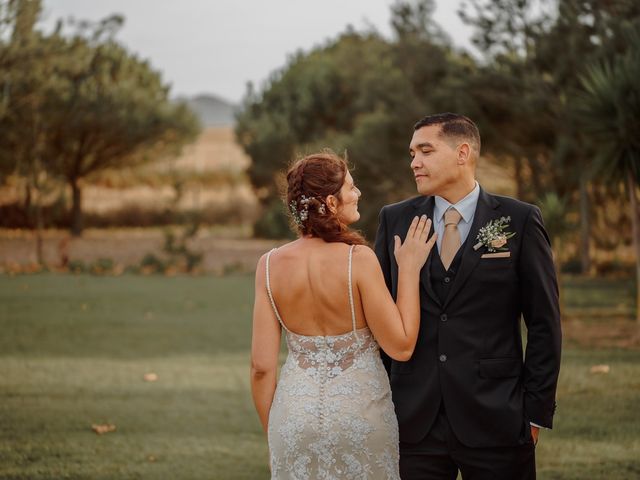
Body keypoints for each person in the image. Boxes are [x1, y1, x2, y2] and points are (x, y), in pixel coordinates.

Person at [374, 113, 562, 479]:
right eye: (412, 153)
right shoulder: (394, 220)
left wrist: (535, 411)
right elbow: (378, 320)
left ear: (462, 153)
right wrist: (382, 404)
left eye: (425, 151)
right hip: (413, 421)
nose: (414, 162)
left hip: (498, 416)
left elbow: (544, 322)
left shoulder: (519, 220)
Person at [250, 151, 437, 479]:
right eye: (351, 187)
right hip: (360, 418)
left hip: (293, 418)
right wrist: (409, 269)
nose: (358, 193)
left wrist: (275, 433)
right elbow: (402, 346)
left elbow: (261, 369)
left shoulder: (268, 266)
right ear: (332, 203)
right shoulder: (358, 260)